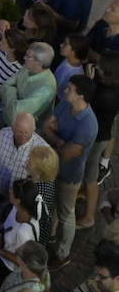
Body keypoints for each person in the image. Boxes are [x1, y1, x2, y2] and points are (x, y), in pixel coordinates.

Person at [41, 76, 99, 262]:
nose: (65, 91)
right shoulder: (66, 105)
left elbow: (67, 154)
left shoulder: (88, 124)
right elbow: (45, 127)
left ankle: (63, 253)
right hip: (54, 167)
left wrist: (54, 136)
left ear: (80, 96)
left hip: (70, 175)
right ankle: (49, 237)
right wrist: (59, 141)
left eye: (70, 89)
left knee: (66, 213)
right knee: (53, 206)